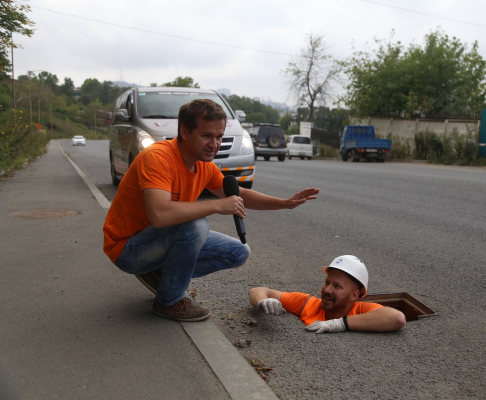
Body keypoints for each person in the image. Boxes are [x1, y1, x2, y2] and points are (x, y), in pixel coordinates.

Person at [103, 99, 319, 322]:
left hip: (158, 243)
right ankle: (168, 301)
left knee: (239, 252)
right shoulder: (158, 158)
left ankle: (161, 274)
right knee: (196, 226)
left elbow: (239, 193)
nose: (214, 144)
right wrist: (217, 205)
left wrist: (284, 203)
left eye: (219, 137)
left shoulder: (204, 165)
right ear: (185, 132)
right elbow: (160, 216)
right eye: (207, 136)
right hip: (128, 249)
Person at [248, 255, 406, 333]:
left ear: (354, 295)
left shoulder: (361, 310)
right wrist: (263, 302)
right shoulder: (307, 303)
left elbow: (397, 318)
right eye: (327, 282)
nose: (327, 290)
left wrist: (339, 324)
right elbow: (257, 291)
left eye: (337, 286)